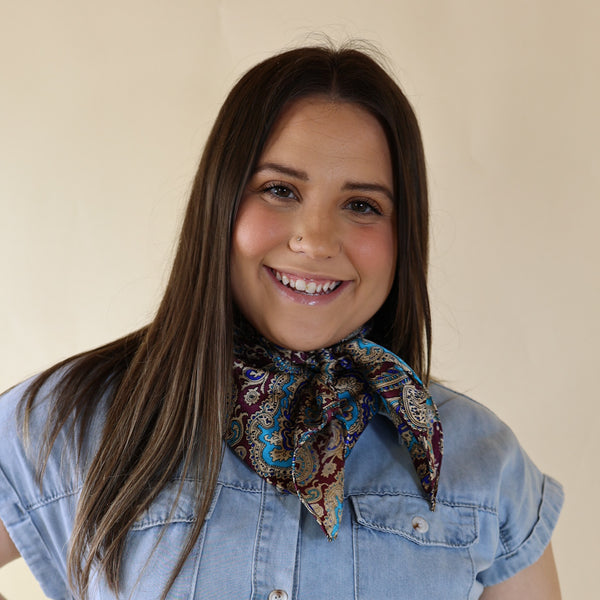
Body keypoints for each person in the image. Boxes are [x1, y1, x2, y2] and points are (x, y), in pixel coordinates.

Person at [0, 43, 563, 599]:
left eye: (362, 204)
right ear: (220, 205)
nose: (314, 240)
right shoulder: (64, 424)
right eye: (279, 190)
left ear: (403, 238)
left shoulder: (480, 461)